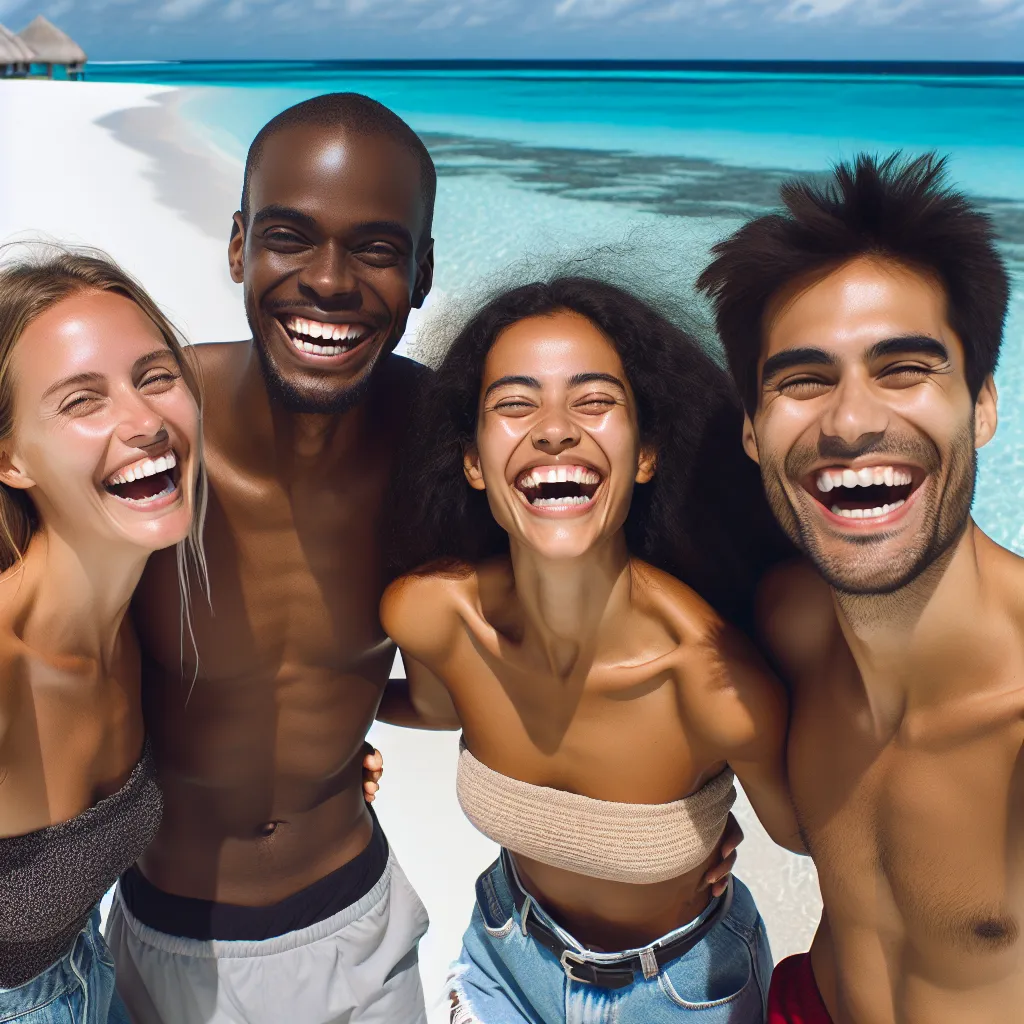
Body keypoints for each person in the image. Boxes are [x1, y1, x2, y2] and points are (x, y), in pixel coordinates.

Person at [378, 276, 803, 1023]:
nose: (553, 430)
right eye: (515, 403)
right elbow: (438, 709)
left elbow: (817, 834)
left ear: (645, 455)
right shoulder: (432, 614)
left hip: (687, 993)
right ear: (474, 463)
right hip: (503, 960)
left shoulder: (712, 681)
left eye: (594, 401)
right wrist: (313, 739)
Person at [102, 93, 433, 1024]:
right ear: (241, 245)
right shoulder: (148, 440)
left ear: (423, 270)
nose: (329, 283)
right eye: (291, 236)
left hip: (357, 932)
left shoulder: (441, 445)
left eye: (375, 248)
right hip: (163, 943)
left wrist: (659, 833)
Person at [697, 152, 1023, 1023]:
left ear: (983, 404)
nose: (849, 421)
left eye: (905, 368)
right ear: (753, 433)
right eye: (802, 380)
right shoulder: (788, 624)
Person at [0, 248, 206, 1021]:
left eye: (155, 377)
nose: (145, 420)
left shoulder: (141, 610)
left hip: (94, 980)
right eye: (83, 401)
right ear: (11, 458)